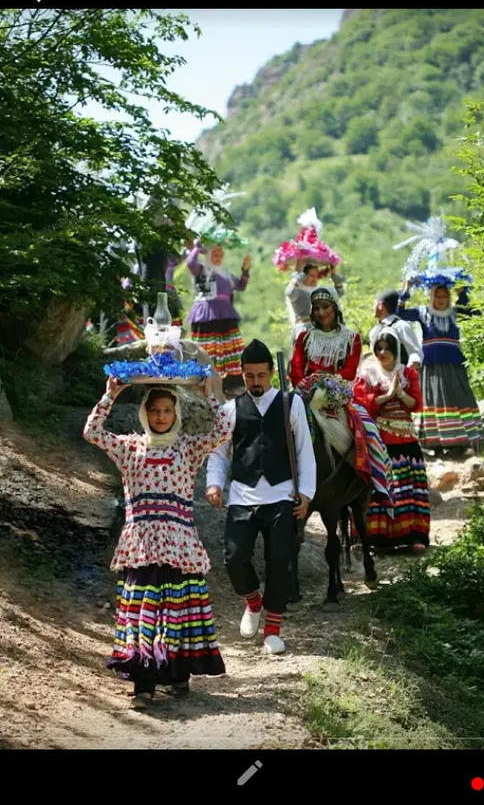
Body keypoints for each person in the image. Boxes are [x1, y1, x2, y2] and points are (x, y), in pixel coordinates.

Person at [83, 374, 231, 709]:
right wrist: (111, 394)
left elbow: (223, 432)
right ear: (145, 413)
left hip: (180, 544)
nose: (161, 416)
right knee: (144, 612)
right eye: (155, 410)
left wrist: (207, 395)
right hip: (141, 543)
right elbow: (92, 433)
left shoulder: (188, 448)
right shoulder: (129, 446)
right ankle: (143, 684)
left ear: (176, 413)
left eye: (167, 410)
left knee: (177, 610)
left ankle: (176, 673)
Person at [205, 339, 316, 655]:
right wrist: (214, 485)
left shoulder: (290, 404)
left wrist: (306, 493)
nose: (255, 382)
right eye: (249, 376)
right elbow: (219, 453)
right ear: (241, 374)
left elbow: (304, 451)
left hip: (282, 494)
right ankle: (252, 602)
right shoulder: (230, 410)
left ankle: (272, 629)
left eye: (261, 376)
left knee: (280, 560)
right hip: (242, 494)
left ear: (271, 374)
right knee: (234, 556)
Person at [353, 330, 431, 552]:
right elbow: (361, 404)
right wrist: (386, 396)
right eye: (378, 348)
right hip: (379, 442)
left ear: (396, 350)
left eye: (387, 348)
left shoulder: (407, 373)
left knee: (410, 489)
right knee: (381, 486)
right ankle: (375, 539)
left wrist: (399, 393)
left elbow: (416, 404)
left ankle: (414, 537)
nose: (382, 352)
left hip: (406, 440)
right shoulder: (367, 375)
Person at [397, 281, 482, 456]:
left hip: (453, 365)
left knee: (457, 398)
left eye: (445, 296)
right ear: (431, 297)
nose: (441, 300)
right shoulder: (423, 313)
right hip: (431, 366)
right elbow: (400, 313)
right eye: (437, 296)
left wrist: (463, 294)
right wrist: (406, 289)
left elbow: (476, 313)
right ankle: (435, 443)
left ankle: (459, 443)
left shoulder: (455, 312)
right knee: (433, 400)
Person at [186, 239, 251, 392]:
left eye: (221, 254)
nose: (218, 257)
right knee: (207, 349)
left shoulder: (226, 272)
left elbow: (240, 286)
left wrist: (245, 271)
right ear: (208, 254)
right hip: (206, 314)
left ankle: (231, 383)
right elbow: (189, 263)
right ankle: (203, 381)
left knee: (229, 349)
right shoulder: (201, 270)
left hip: (225, 315)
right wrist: (197, 247)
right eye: (215, 253)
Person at [290, 285, 362, 388]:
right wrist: (303, 383)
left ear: (335, 307)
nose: (321, 312)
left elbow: (350, 371)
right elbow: (296, 367)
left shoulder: (351, 339)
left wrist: (326, 381)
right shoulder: (305, 338)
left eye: (325, 306)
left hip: (336, 394)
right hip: (307, 394)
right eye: (316, 308)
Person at [369, 289, 423, 370]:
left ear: (381, 306)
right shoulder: (374, 331)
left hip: (401, 379)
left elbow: (415, 353)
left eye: (374, 304)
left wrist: (404, 375)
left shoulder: (401, 326)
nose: (372, 308)